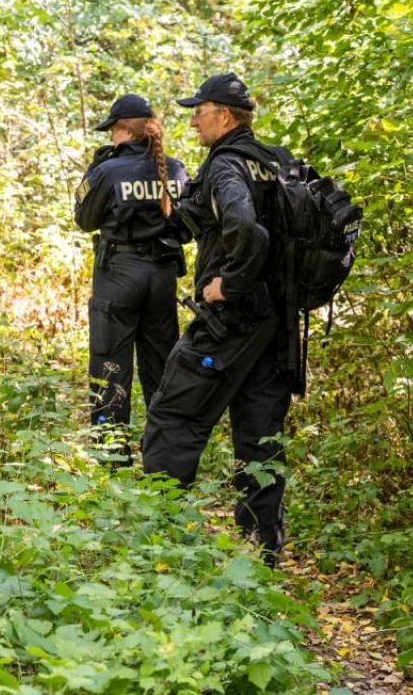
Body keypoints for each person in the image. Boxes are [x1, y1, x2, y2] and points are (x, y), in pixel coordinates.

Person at [141, 72, 295, 566]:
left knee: (173, 414)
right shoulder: (274, 162)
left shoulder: (228, 166)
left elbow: (248, 230)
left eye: (199, 111)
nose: (192, 120)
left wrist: (228, 284)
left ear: (224, 116)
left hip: (232, 320)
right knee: (260, 435)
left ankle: (158, 541)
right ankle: (262, 550)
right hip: (276, 323)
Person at [74, 94, 188, 463]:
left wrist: (95, 170)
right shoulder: (176, 168)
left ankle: (111, 459)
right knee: (162, 370)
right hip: (162, 277)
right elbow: (187, 226)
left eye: (112, 131)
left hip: (119, 276)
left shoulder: (108, 171)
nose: (109, 138)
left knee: (110, 366)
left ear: (124, 130)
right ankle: (164, 462)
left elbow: (84, 219)